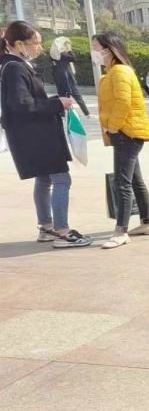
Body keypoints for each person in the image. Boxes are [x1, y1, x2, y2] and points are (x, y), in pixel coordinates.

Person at [1, 21, 92, 248]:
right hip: (37, 135)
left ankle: (47, 227)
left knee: (44, 179)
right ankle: (62, 231)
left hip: (31, 135)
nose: (39, 48)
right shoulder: (14, 68)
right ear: (19, 44)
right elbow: (22, 104)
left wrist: (55, 102)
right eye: (35, 43)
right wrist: (57, 104)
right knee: (62, 179)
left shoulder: (14, 65)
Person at [93, 32, 149, 249]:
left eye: (96, 47)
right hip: (127, 132)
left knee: (122, 183)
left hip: (125, 133)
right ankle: (147, 222)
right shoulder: (113, 72)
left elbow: (123, 102)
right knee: (135, 180)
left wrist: (113, 127)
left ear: (108, 50)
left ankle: (121, 231)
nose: (94, 52)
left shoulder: (119, 71)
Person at [49, 36, 91, 117]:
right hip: (68, 78)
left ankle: (62, 115)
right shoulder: (63, 54)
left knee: (63, 96)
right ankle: (86, 113)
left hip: (59, 79)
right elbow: (74, 58)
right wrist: (70, 50)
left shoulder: (53, 54)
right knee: (77, 96)